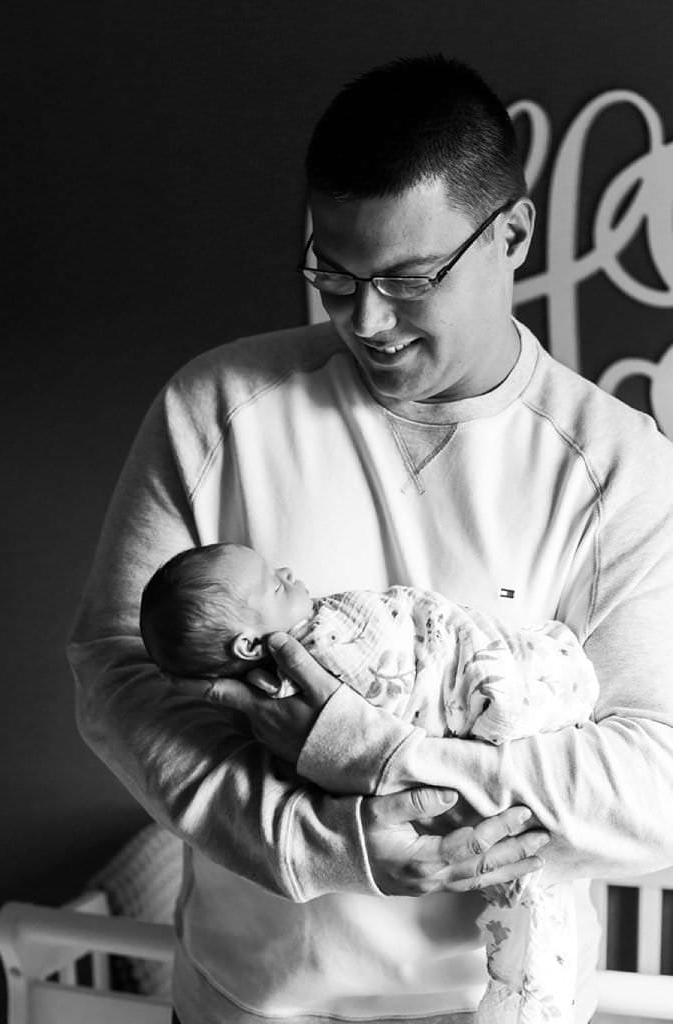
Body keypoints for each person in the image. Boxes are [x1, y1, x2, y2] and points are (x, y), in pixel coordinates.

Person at [68, 54, 673, 1024]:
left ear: (511, 233)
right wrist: (319, 837)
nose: (365, 319)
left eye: (406, 279)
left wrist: (384, 764)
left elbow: (654, 787)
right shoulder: (213, 407)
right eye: (331, 274)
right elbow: (114, 676)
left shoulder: (617, 469)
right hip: (244, 1003)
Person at [141, 542, 600, 1023]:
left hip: (446, 980)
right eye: (275, 584)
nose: (289, 569)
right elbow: (388, 686)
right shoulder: (303, 669)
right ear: (250, 646)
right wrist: (343, 770)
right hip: (265, 993)